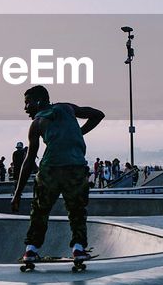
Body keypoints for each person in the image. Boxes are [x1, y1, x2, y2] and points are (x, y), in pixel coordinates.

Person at [11, 85, 104, 268]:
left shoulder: (36, 124)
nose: (25, 108)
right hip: (75, 169)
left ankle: (31, 250)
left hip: (50, 171)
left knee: (39, 211)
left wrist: (17, 193)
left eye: (27, 103)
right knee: (77, 211)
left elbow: (29, 160)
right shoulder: (67, 108)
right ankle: (78, 248)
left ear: (38, 101)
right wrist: (79, 132)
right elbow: (98, 114)